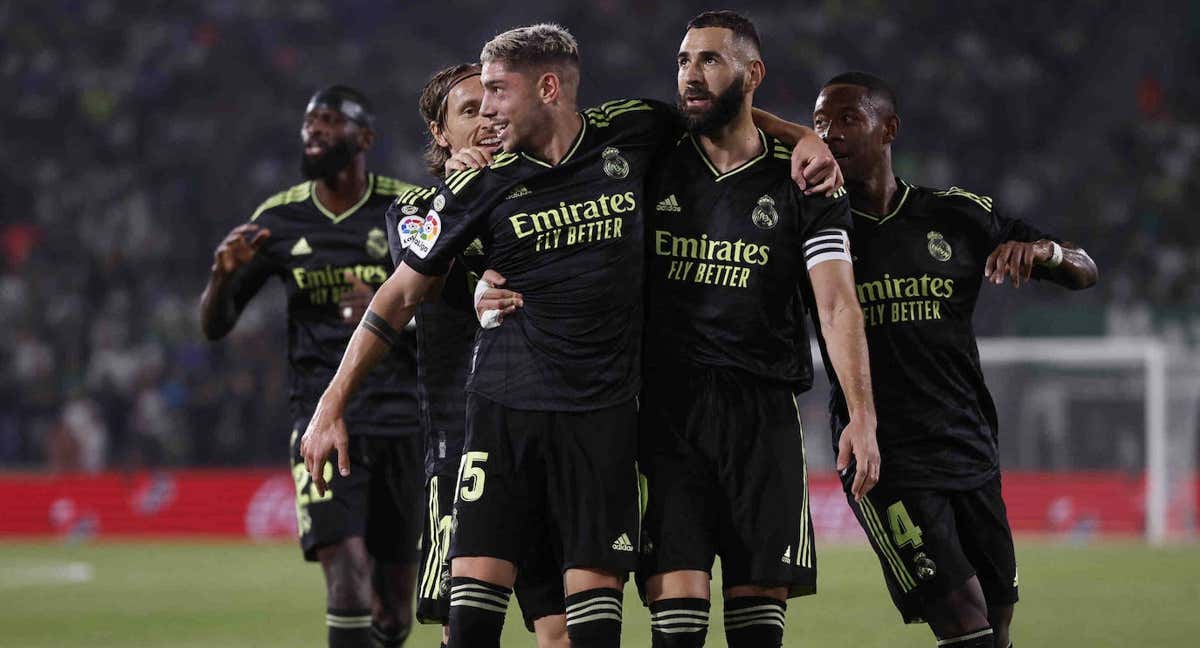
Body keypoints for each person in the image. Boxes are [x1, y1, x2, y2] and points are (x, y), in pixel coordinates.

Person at [300, 24, 838, 648]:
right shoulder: (478, 180)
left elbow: (720, 113)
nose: (490, 108)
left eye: (498, 91)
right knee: (470, 626)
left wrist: (802, 137)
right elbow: (398, 296)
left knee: (588, 634)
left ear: (548, 87)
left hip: (601, 426)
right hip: (503, 417)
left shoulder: (631, 131)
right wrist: (330, 403)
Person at [811, 72, 1098, 648]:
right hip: (884, 456)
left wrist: (1044, 250)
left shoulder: (954, 215)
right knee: (964, 624)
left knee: (996, 624)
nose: (830, 134)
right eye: (820, 123)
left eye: (847, 119)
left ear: (888, 128)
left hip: (968, 444)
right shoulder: (814, 226)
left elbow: (1084, 270)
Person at [636, 12, 878, 648]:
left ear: (752, 74)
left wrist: (861, 415)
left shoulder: (804, 179)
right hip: (666, 414)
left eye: (710, 60)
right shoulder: (651, 154)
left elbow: (836, 304)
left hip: (763, 414)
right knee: (678, 625)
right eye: (684, 60)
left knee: (756, 628)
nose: (690, 74)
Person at [199, 86, 424, 648]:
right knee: (346, 579)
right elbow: (215, 325)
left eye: (329, 121)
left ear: (364, 138)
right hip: (324, 422)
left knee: (395, 608)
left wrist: (381, 299)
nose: (314, 132)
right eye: (308, 123)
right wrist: (222, 278)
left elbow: (447, 312)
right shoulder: (279, 219)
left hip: (405, 420)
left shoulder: (408, 208)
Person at [387, 62, 568, 648]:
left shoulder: (547, 193)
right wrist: (457, 195)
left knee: (563, 630)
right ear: (441, 134)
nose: (488, 119)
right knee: (463, 632)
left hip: (544, 431)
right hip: (463, 446)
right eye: (470, 111)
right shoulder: (416, 209)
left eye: (493, 105)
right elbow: (419, 284)